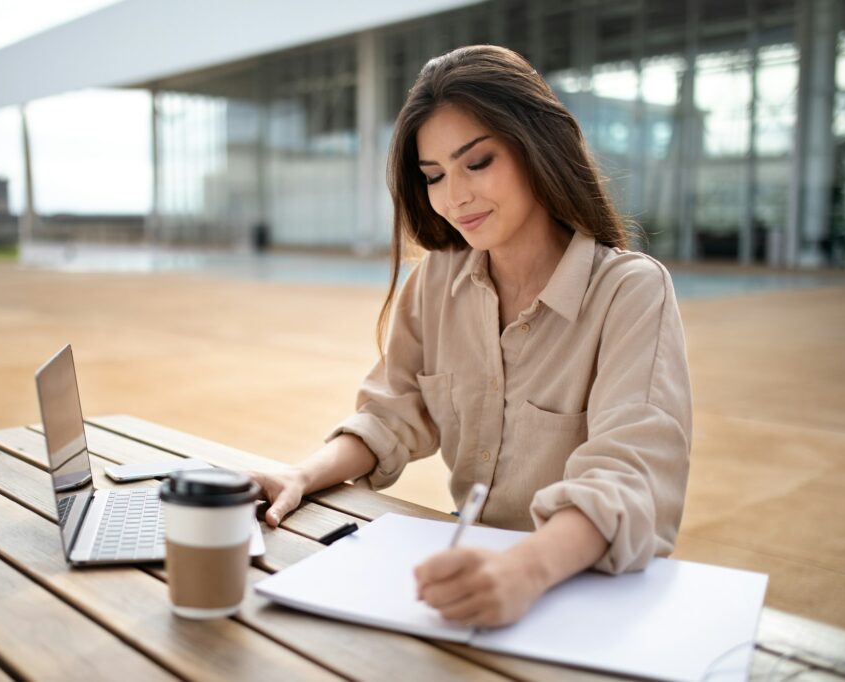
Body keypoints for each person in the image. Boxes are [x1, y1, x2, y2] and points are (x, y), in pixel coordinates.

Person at [248, 45, 692, 629]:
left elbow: (629, 478)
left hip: (579, 591)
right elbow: (393, 413)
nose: (453, 196)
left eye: (477, 162)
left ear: (538, 147)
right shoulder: (437, 279)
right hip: (472, 579)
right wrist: (303, 474)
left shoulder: (630, 292)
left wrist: (525, 571)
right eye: (433, 175)